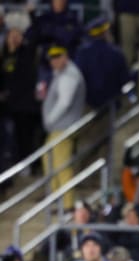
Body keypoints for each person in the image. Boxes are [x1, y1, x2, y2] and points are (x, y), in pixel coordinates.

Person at [41, 44, 86, 211]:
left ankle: (67, 203)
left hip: (63, 127)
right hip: (58, 128)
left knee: (61, 165)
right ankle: (56, 199)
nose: (54, 61)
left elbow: (65, 102)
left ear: (65, 57)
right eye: (52, 58)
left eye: (57, 57)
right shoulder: (61, 73)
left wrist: (50, 119)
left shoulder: (70, 75)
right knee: (50, 161)